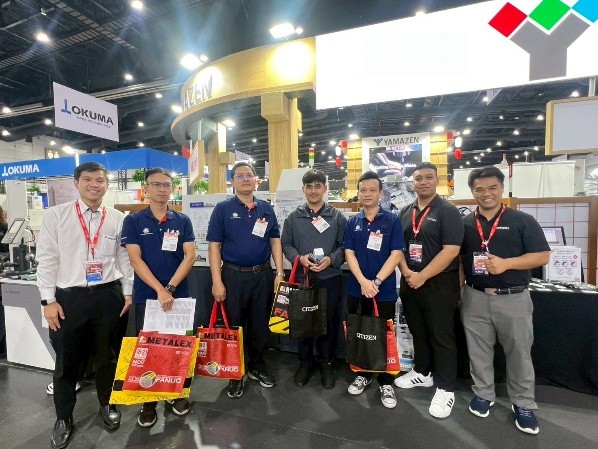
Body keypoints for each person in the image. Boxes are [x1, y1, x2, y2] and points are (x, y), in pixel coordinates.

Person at [36, 162, 133, 449]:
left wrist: (127, 292)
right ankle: (63, 417)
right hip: (69, 298)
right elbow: (47, 259)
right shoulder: (56, 216)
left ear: (107, 184)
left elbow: (124, 258)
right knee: (66, 361)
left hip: (108, 296)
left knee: (107, 357)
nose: (94, 184)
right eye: (88, 179)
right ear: (76, 183)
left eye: (100, 180)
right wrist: (48, 300)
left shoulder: (117, 218)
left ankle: (107, 404)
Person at [460, 166, 550, 435]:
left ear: (502, 188)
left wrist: (507, 264)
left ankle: (523, 403)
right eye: (479, 189)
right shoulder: (465, 224)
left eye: (492, 188)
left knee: (519, 352)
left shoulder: (522, 220)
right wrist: (459, 292)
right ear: (473, 192)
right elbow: (461, 261)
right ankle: (483, 393)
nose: (486, 193)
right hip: (475, 296)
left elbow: (543, 256)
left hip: (514, 298)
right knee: (478, 350)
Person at [121, 168, 196, 428]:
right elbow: (135, 259)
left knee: (177, 348)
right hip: (147, 297)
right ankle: (149, 401)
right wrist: (159, 290)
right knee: (150, 349)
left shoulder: (182, 220)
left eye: (166, 185)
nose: (162, 189)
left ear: (172, 188)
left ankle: (175, 394)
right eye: (156, 184)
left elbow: (190, 256)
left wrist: (171, 288)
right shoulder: (134, 221)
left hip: (179, 295)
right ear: (146, 189)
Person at [206, 161, 284, 399]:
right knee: (235, 326)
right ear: (232, 181)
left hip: (262, 275)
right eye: (239, 176)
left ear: (256, 180)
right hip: (233, 275)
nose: (245, 179)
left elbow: (275, 241)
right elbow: (214, 246)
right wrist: (217, 281)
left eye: (249, 175)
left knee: (260, 324)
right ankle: (236, 373)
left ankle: (257, 366)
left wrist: (279, 273)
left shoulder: (266, 208)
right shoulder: (223, 209)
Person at [395, 162, 464, 419]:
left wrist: (422, 275)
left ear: (437, 180)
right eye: (418, 178)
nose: (423, 182)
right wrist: (407, 273)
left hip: (439, 283)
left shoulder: (448, 211)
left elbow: (452, 250)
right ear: (412, 182)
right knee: (418, 330)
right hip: (410, 281)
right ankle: (422, 372)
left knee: (441, 335)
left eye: (428, 177)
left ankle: (446, 387)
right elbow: (398, 248)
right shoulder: (405, 211)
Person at [343, 171, 405, 409]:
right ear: (358, 193)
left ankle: (386, 381)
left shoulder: (392, 220)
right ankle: (363, 374)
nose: (367, 194)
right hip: (357, 290)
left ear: (380, 193)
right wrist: (363, 282)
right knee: (360, 332)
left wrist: (376, 282)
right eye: (363, 190)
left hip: (384, 290)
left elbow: (396, 254)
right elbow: (349, 253)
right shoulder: (352, 222)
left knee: (385, 334)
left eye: (372, 190)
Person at [281, 169, 347, 389]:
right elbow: (286, 244)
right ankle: (305, 364)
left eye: (318, 186)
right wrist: (299, 259)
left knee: (328, 323)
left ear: (325, 188)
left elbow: (344, 246)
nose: (313, 191)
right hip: (303, 279)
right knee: (303, 323)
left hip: (330, 278)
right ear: (303, 190)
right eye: (309, 187)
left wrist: (332, 259)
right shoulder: (294, 217)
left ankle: (327, 364)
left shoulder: (337, 217)